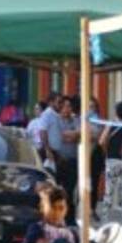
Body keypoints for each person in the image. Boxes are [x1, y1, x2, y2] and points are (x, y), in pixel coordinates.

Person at [45, 96, 80, 224]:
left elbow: (79, 134)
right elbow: (60, 138)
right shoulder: (56, 121)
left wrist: (73, 135)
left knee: (70, 191)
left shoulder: (76, 120)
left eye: (69, 106)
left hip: (73, 160)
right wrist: (72, 135)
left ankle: (69, 218)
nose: (67, 109)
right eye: (64, 106)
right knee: (57, 190)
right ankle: (56, 216)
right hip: (59, 160)